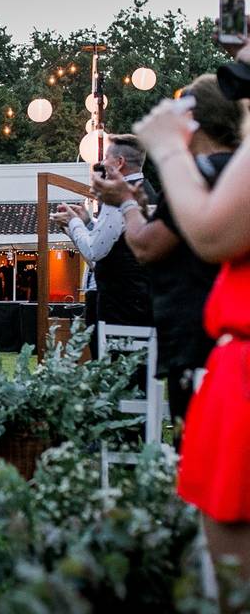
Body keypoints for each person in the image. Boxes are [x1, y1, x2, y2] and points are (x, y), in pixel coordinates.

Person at [132, 55, 250, 582]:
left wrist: (165, 147)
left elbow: (207, 233)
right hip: (221, 353)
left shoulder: (214, 166)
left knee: (233, 580)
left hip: (233, 360)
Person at [93, 74, 243, 436]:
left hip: (200, 328)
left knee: (197, 444)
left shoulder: (199, 177)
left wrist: (126, 203)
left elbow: (147, 246)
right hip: (223, 328)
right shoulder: (237, 173)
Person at [52, 135, 153, 329]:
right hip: (142, 302)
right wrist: (89, 222)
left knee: (110, 358)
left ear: (119, 163)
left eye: (106, 158)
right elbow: (117, 237)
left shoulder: (118, 196)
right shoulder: (147, 192)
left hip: (119, 307)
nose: (102, 163)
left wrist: (73, 223)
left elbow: (94, 251)